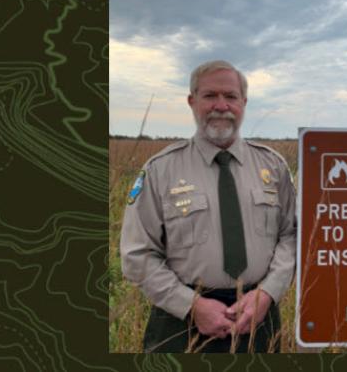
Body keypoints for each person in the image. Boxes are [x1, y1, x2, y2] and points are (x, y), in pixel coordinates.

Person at [120, 60, 296, 353]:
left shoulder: (273, 166)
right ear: (192, 101)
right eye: (210, 96)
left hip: (259, 319)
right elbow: (137, 254)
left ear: (244, 102)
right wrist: (190, 305)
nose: (221, 105)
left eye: (230, 96)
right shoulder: (160, 170)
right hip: (181, 322)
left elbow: (291, 235)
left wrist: (267, 293)